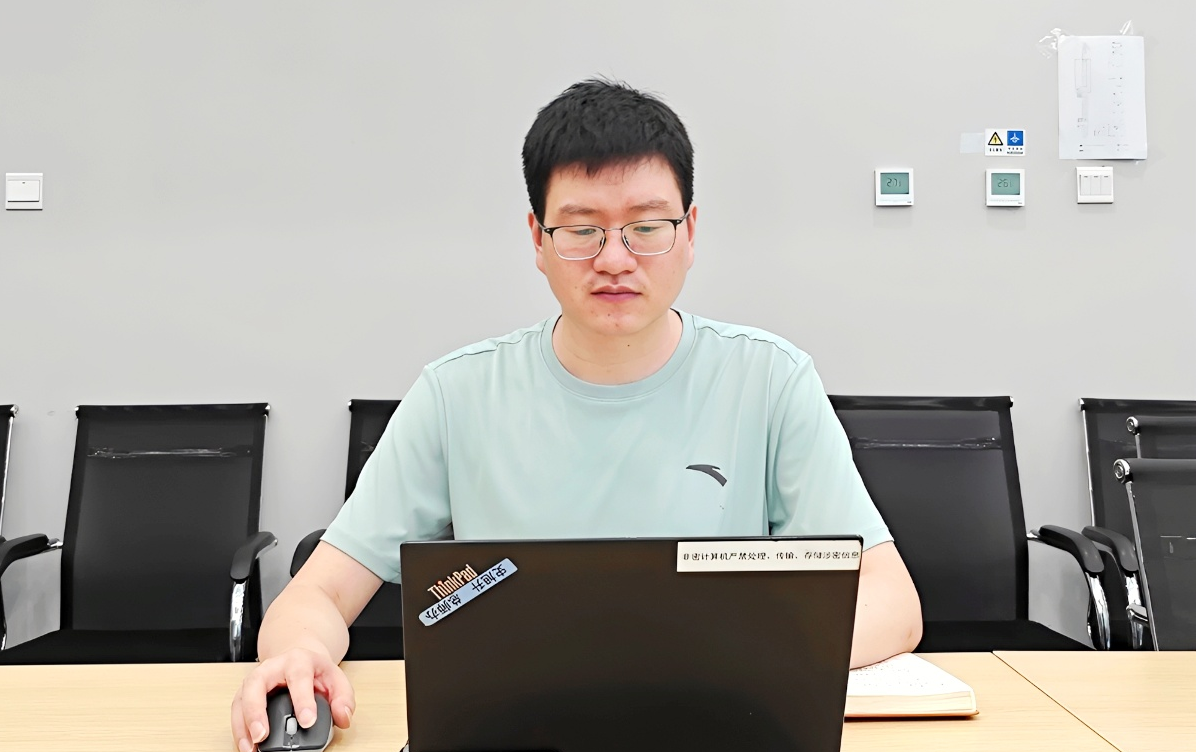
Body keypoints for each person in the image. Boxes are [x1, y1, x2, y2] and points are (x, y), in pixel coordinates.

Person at [230, 78, 922, 752]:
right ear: (538, 238)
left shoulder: (770, 380)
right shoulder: (457, 393)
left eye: (646, 227)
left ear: (689, 233)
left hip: (712, 728)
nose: (614, 259)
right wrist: (299, 654)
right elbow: (318, 593)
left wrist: (721, 661)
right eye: (583, 230)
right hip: (513, 734)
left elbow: (891, 600)